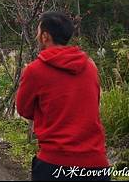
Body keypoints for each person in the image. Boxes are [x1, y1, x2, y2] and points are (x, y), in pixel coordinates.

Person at [16, 12, 110, 181]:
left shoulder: (35, 70)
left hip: (55, 164)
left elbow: (24, 109)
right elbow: (92, 104)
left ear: (45, 36)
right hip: (96, 165)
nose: (37, 36)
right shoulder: (90, 66)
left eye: (38, 32)